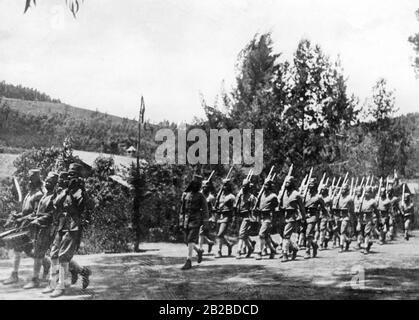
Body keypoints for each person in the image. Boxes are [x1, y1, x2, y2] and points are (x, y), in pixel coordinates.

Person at [43, 171, 91, 294]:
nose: (69, 179)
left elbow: (83, 207)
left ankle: (61, 285)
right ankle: (53, 282)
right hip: (61, 226)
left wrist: (81, 190)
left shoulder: (79, 192)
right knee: (54, 254)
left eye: (72, 177)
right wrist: (65, 191)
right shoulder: (64, 191)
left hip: (73, 227)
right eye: (68, 177)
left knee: (63, 256)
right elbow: (55, 203)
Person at [3, 169, 45, 285]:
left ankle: (17, 275)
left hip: (33, 227)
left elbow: (36, 214)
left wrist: (23, 218)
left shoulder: (39, 194)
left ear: (37, 180)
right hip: (24, 226)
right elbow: (26, 211)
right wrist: (19, 215)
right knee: (25, 250)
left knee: (33, 251)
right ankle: (15, 274)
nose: (29, 180)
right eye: (29, 178)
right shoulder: (29, 193)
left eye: (32, 178)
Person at [23, 172, 59, 289]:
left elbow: (51, 215)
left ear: (55, 184)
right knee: (40, 254)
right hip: (41, 229)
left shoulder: (55, 196)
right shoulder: (46, 194)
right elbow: (37, 212)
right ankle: (78, 271)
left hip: (48, 229)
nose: (48, 183)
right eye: (47, 180)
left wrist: (37, 221)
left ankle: (36, 280)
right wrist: (29, 218)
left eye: (51, 182)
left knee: (49, 255)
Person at [179, 174, 209, 270]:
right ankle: (199, 251)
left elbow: (205, 210)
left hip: (196, 220)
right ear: (192, 184)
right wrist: (180, 221)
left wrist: (205, 223)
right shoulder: (185, 195)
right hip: (186, 220)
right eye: (195, 184)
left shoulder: (201, 196)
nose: (196, 186)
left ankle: (188, 261)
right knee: (186, 241)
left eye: (198, 185)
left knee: (191, 239)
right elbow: (182, 210)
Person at [278, 176, 305, 262]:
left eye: (288, 182)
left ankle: (285, 254)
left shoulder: (296, 194)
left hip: (292, 217)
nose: (286, 184)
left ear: (292, 184)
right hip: (283, 216)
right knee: (283, 235)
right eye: (285, 182)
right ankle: (294, 248)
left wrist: (303, 218)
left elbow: (302, 208)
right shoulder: (283, 193)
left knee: (286, 235)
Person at [254, 178, 278, 260]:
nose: (265, 186)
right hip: (261, 217)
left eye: (267, 185)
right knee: (266, 236)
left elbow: (276, 209)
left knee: (261, 234)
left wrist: (274, 220)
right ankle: (272, 250)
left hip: (268, 217)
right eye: (264, 184)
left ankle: (259, 252)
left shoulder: (273, 196)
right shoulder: (261, 195)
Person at [302, 178, 326, 259]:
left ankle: (307, 251)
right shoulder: (305, 195)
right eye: (309, 186)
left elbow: (323, 208)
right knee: (306, 234)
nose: (310, 187)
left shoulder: (318, 197)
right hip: (305, 216)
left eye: (311, 186)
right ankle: (314, 245)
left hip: (313, 216)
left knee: (308, 233)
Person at [235, 179, 257, 259]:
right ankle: (250, 248)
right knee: (244, 235)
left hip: (247, 217)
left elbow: (255, 208)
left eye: (245, 187)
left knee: (241, 234)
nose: (243, 188)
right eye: (243, 187)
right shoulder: (240, 196)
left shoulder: (251, 197)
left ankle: (239, 251)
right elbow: (236, 206)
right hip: (240, 216)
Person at [214, 179, 235, 258]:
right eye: (223, 185)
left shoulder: (231, 196)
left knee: (220, 234)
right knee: (220, 235)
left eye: (225, 185)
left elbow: (234, 208)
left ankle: (219, 251)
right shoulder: (219, 195)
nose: (224, 187)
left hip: (226, 217)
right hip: (219, 216)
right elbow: (216, 206)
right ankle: (229, 244)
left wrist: (232, 217)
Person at [332, 183, 354, 252]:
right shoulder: (338, 197)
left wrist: (351, 219)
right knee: (337, 231)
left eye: (344, 189)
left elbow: (352, 209)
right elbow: (334, 206)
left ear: (347, 190)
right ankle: (347, 240)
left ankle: (341, 246)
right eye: (342, 189)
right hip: (338, 216)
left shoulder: (349, 198)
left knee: (342, 231)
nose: (342, 190)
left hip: (346, 216)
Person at [359, 187, 378, 254]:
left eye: (368, 192)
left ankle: (366, 248)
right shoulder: (361, 200)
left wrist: (378, 219)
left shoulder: (372, 201)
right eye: (365, 192)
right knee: (362, 233)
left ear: (370, 193)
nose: (366, 194)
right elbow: (358, 210)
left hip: (368, 218)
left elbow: (376, 211)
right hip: (361, 218)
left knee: (367, 233)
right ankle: (368, 243)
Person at [199, 179, 216, 253]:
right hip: (198, 216)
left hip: (207, 217)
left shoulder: (211, 197)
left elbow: (214, 209)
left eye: (206, 187)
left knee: (201, 232)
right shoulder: (199, 195)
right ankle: (209, 242)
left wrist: (213, 218)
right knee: (201, 232)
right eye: (203, 187)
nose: (204, 188)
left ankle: (200, 249)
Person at [318, 185, 332, 250]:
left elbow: (330, 209)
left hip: (325, 216)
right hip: (318, 215)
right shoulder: (319, 197)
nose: (322, 191)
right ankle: (324, 240)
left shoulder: (328, 199)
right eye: (321, 190)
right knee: (317, 230)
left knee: (323, 230)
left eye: (323, 190)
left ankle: (321, 243)